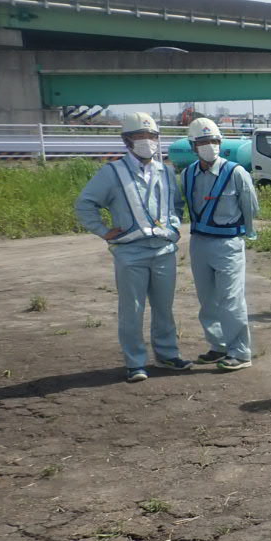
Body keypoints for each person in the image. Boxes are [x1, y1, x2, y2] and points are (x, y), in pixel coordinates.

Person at [74, 112, 193, 382]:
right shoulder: (112, 172)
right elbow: (85, 204)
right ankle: (135, 362)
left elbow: (175, 205)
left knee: (164, 308)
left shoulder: (166, 171)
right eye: (141, 137)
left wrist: (173, 226)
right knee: (133, 309)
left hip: (164, 251)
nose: (147, 142)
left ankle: (167, 354)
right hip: (130, 253)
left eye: (152, 137)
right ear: (127, 141)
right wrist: (104, 231)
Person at [180, 117, 259, 371]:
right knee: (207, 300)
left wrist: (247, 233)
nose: (209, 146)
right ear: (193, 146)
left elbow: (251, 207)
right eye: (203, 142)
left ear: (220, 142)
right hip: (199, 243)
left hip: (228, 244)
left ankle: (240, 352)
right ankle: (218, 346)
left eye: (213, 141)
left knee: (231, 300)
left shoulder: (236, 172)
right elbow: (178, 205)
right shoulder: (187, 174)